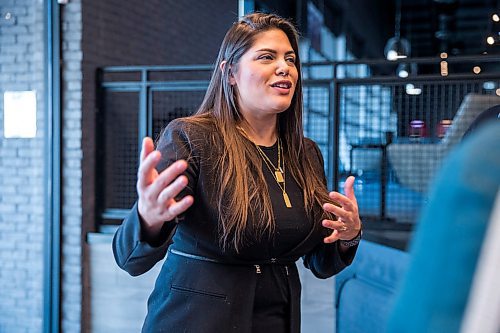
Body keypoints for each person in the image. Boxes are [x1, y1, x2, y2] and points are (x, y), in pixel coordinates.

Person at [113, 12, 362, 333]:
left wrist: (348, 235)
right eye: (266, 57)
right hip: (196, 321)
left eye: (290, 59)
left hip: (276, 320)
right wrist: (148, 216)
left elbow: (321, 261)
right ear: (230, 72)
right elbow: (130, 259)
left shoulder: (306, 153)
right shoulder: (191, 137)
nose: (284, 67)